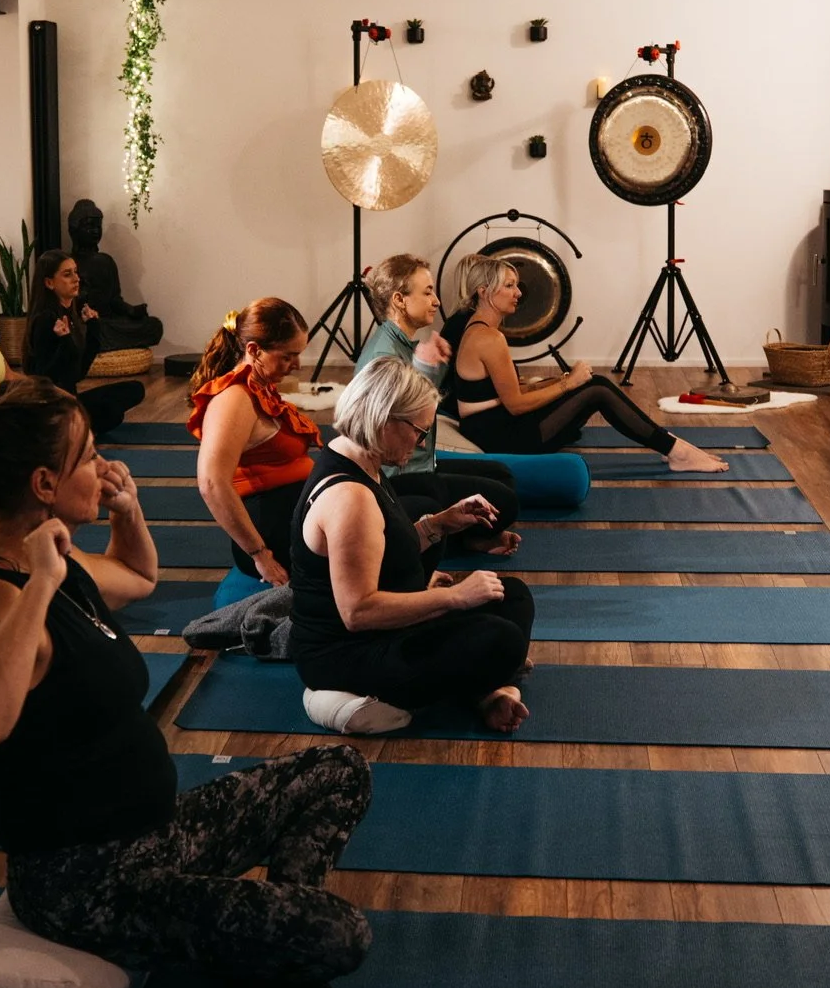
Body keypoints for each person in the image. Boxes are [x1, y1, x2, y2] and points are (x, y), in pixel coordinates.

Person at [0, 378, 371, 988]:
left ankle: (273, 924)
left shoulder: (64, 565)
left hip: (159, 835)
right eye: (88, 455)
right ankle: (269, 941)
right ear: (43, 485)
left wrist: (126, 510)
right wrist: (39, 583)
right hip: (87, 882)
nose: (104, 465)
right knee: (344, 935)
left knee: (341, 769)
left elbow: (141, 577)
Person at [290, 357, 535, 736]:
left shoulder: (358, 459)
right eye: (420, 431)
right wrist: (455, 599)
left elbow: (384, 550)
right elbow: (359, 612)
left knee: (512, 595)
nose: (421, 442)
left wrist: (440, 524)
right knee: (501, 641)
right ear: (386, 419)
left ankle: (489, 691)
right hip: (346, 655)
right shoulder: (349, 498)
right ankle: (486, 689)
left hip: (383, 632)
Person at [443, 254, 728, 472]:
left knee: (592, 386)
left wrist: (563, 381)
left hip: (498, 425)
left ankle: (671, 445)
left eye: (516, 285)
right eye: (509, 286)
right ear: (483, 292)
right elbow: (515, 403)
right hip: (499, 436)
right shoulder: (487, 338)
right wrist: (569, 383)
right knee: (598, 389)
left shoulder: (484, 331)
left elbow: (509, 393)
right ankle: (675, 451)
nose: (518, 292)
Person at [356, 253, 520, 557]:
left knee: (502, 475)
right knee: (504, 502)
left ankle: (470, 537)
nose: (437, 302)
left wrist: (434, 366)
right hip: (396, 479)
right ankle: (454, 537)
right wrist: (427, 369)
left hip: (421, 464)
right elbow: (401, 433)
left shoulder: (403, 344)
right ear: (399, 300)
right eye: (427, 292)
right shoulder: (385, 357)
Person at [189, 298, 319, 584]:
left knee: (418, 497)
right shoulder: (234, 399)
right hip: (270, 532)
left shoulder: (260, 388)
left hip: (292, 513)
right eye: (288, 356)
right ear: (253, 350)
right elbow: (211, 484)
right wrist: (260, 555)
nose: (297, 365)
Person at [25, 249, 144, 437]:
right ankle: (68, 433)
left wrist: (93, 328)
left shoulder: (69, 315)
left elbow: (77, 373)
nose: (76, 279)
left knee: (135, 389)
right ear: (49, 283)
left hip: (71, 397)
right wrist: (64, 342)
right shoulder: (46, 320)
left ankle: (79, 426)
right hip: (54, 407)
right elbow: (43, 379)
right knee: (111, 413)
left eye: (75, 272)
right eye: (67, 274)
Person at [67, 197, 163, 350]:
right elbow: (65, 304)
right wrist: (81, 298)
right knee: (82, 331)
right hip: (85, 322)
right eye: (89, 227)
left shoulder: (106, 261)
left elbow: (114, 300)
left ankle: (100, 342)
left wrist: (131, 310)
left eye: (98, 226)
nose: (95, 231)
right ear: (74, 230)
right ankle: (96, 340)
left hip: (108, 322)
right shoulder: (68, 262)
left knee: (154, 326)